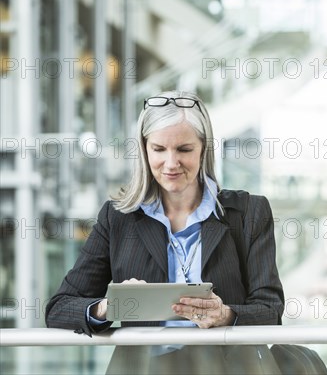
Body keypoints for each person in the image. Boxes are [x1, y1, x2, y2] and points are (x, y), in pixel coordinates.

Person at [45, 91, 285, 374]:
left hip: (227, 367)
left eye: (184, 149)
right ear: (145, 150)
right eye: (159, 149)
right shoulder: (118, 218)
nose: (171, 164)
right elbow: (59, 308)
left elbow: (270, 309)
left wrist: (226, 315)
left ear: (203, 149)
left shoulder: (248, 213)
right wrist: (110, 307)